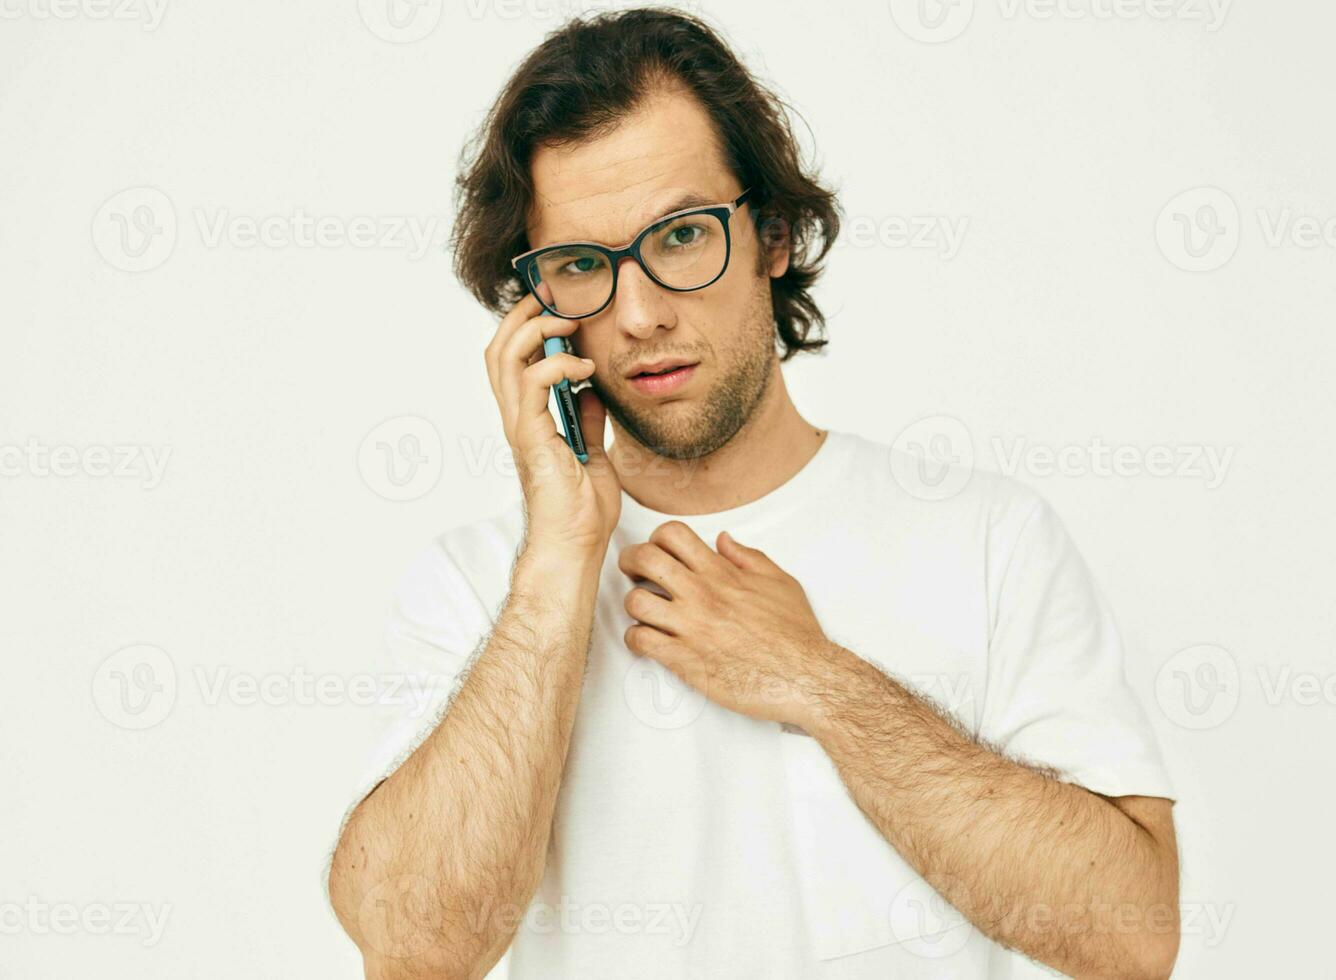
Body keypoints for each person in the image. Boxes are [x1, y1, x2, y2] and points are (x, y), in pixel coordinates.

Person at [326, 9, 1179, 979]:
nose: (641, 313)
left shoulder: (988, 539)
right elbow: (415, 947)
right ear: (535, 307)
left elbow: (1132, 936)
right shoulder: (480, 587)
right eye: (581, 265)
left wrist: (815, 680)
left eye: (681, 235)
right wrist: (563, 553)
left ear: (772, 235)